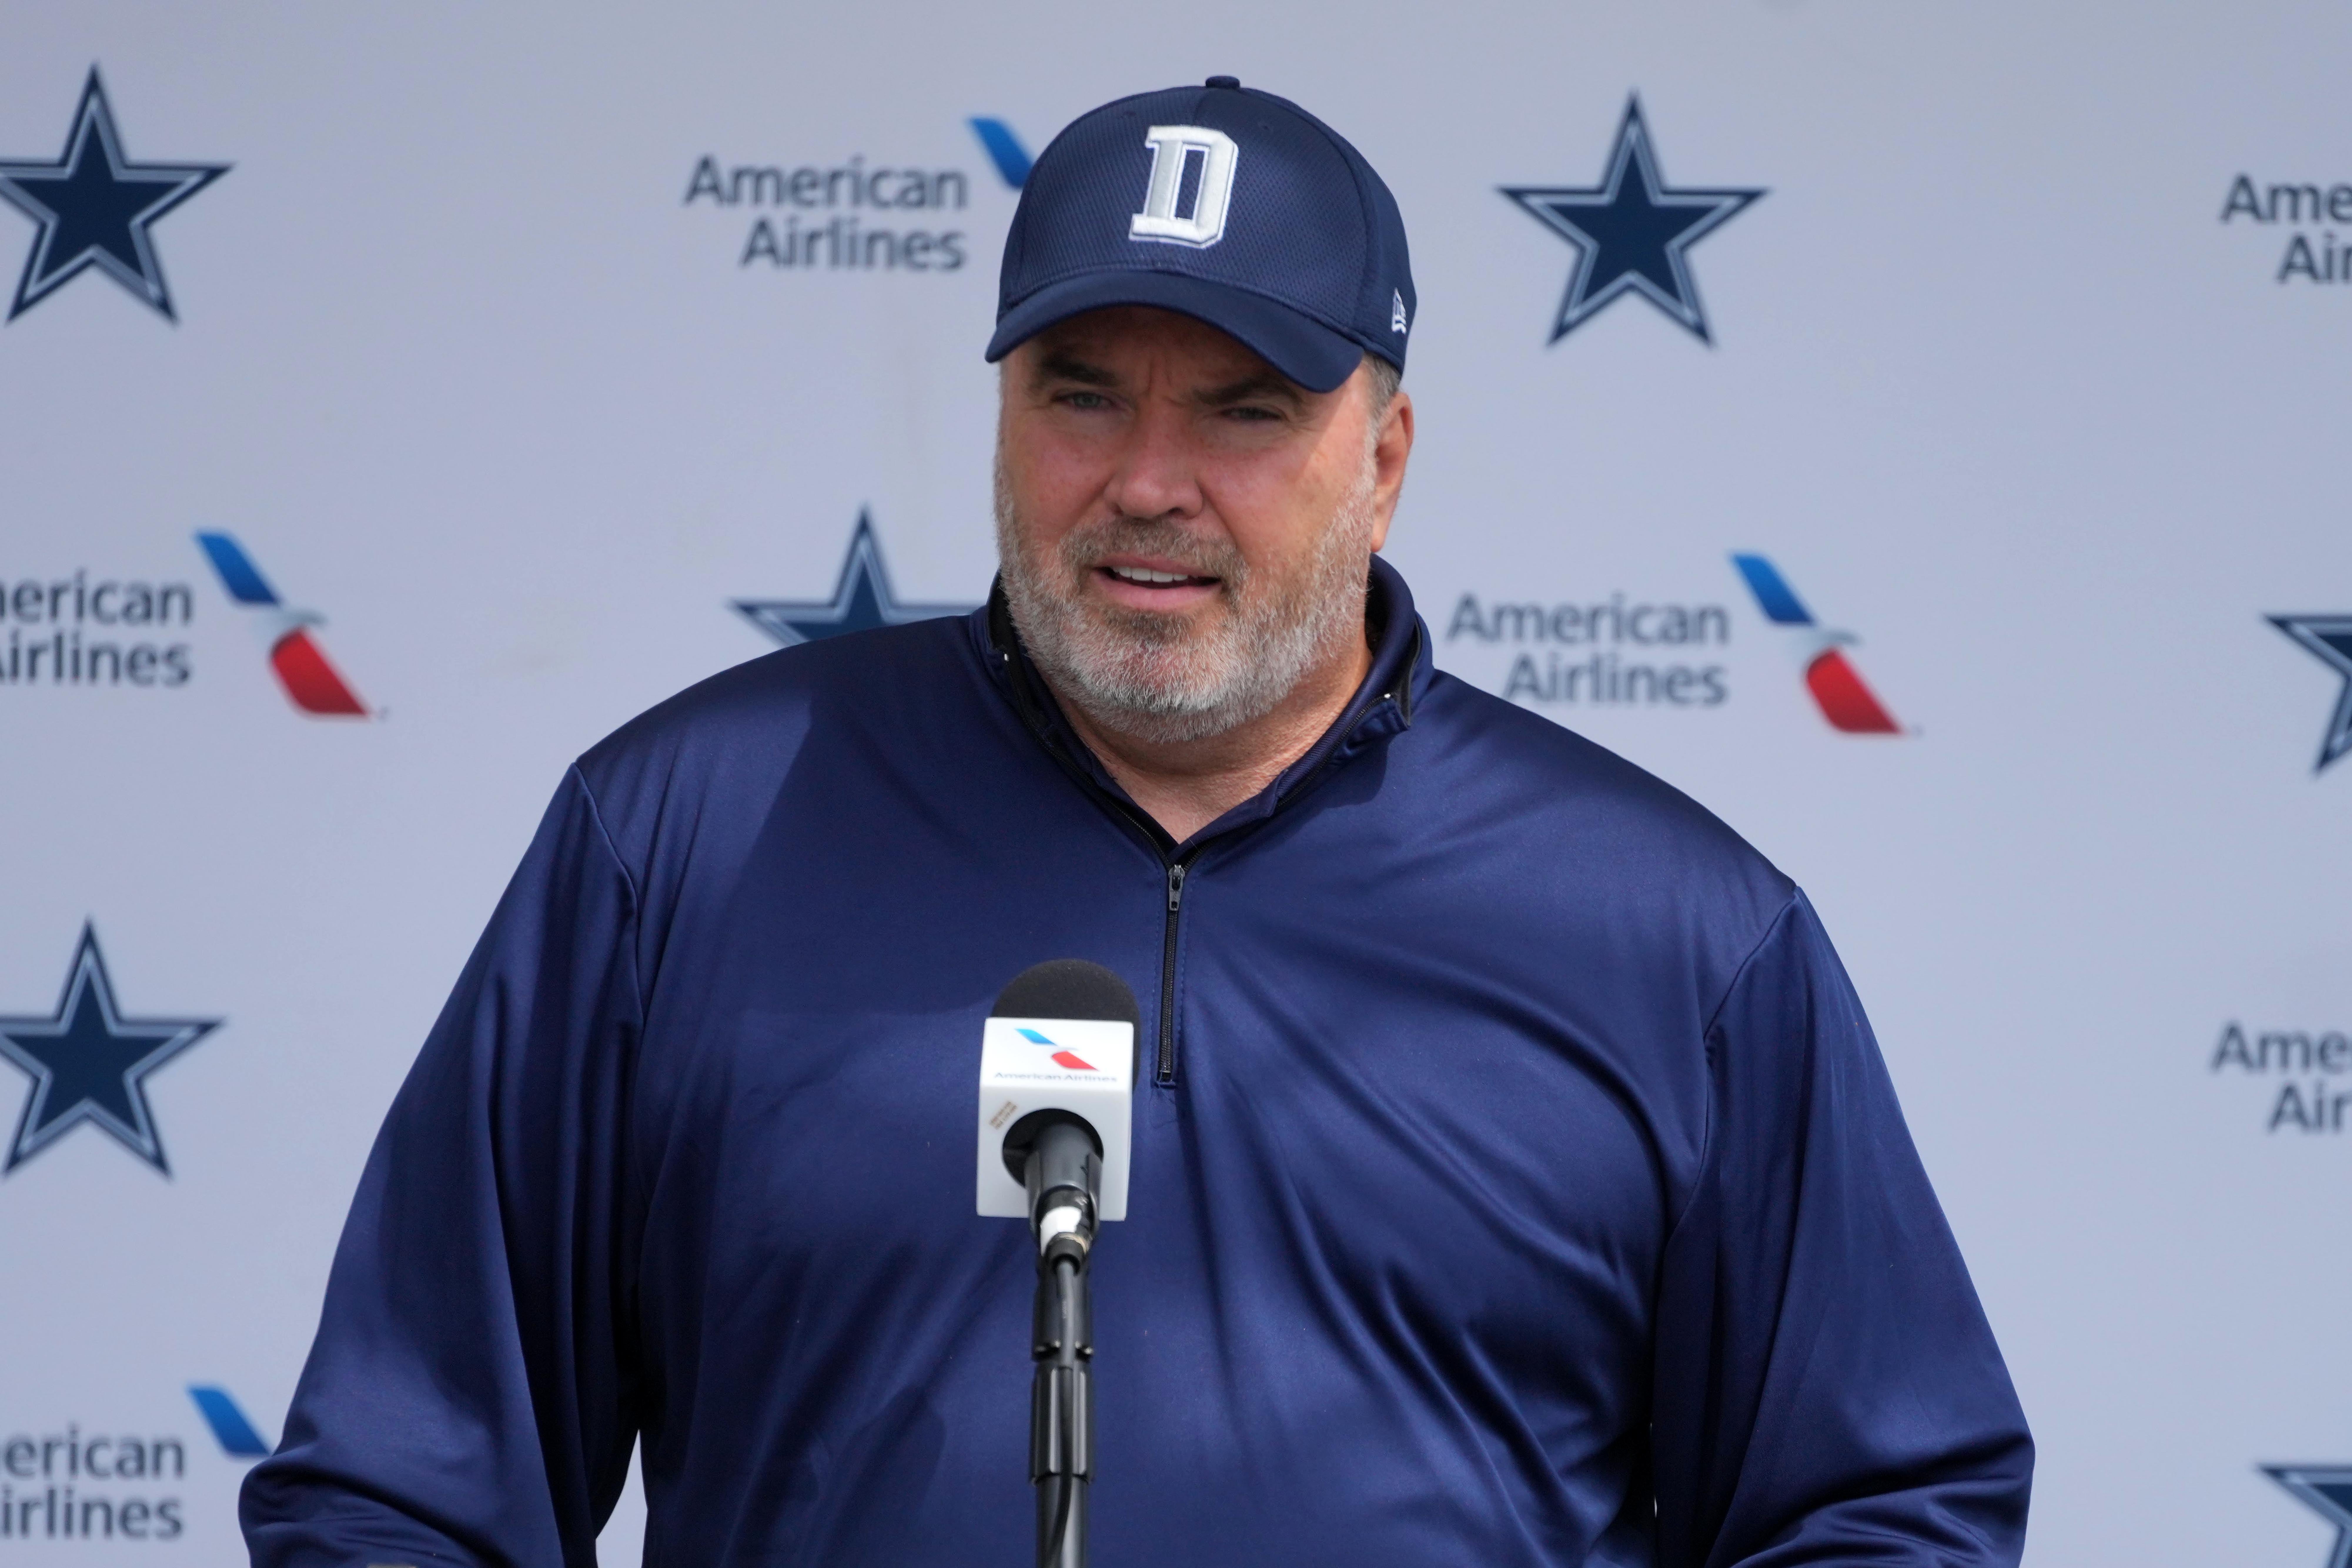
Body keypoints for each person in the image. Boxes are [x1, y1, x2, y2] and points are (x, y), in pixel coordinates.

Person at [244, 79, 2032, 1567]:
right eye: (1081, 393)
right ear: (1003, 411)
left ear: (1386, 454)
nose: (1149, 481)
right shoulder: (687, 838)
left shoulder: (1671, 931)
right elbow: (405, 1485)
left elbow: (1879, 1500)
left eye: (1245, 411)